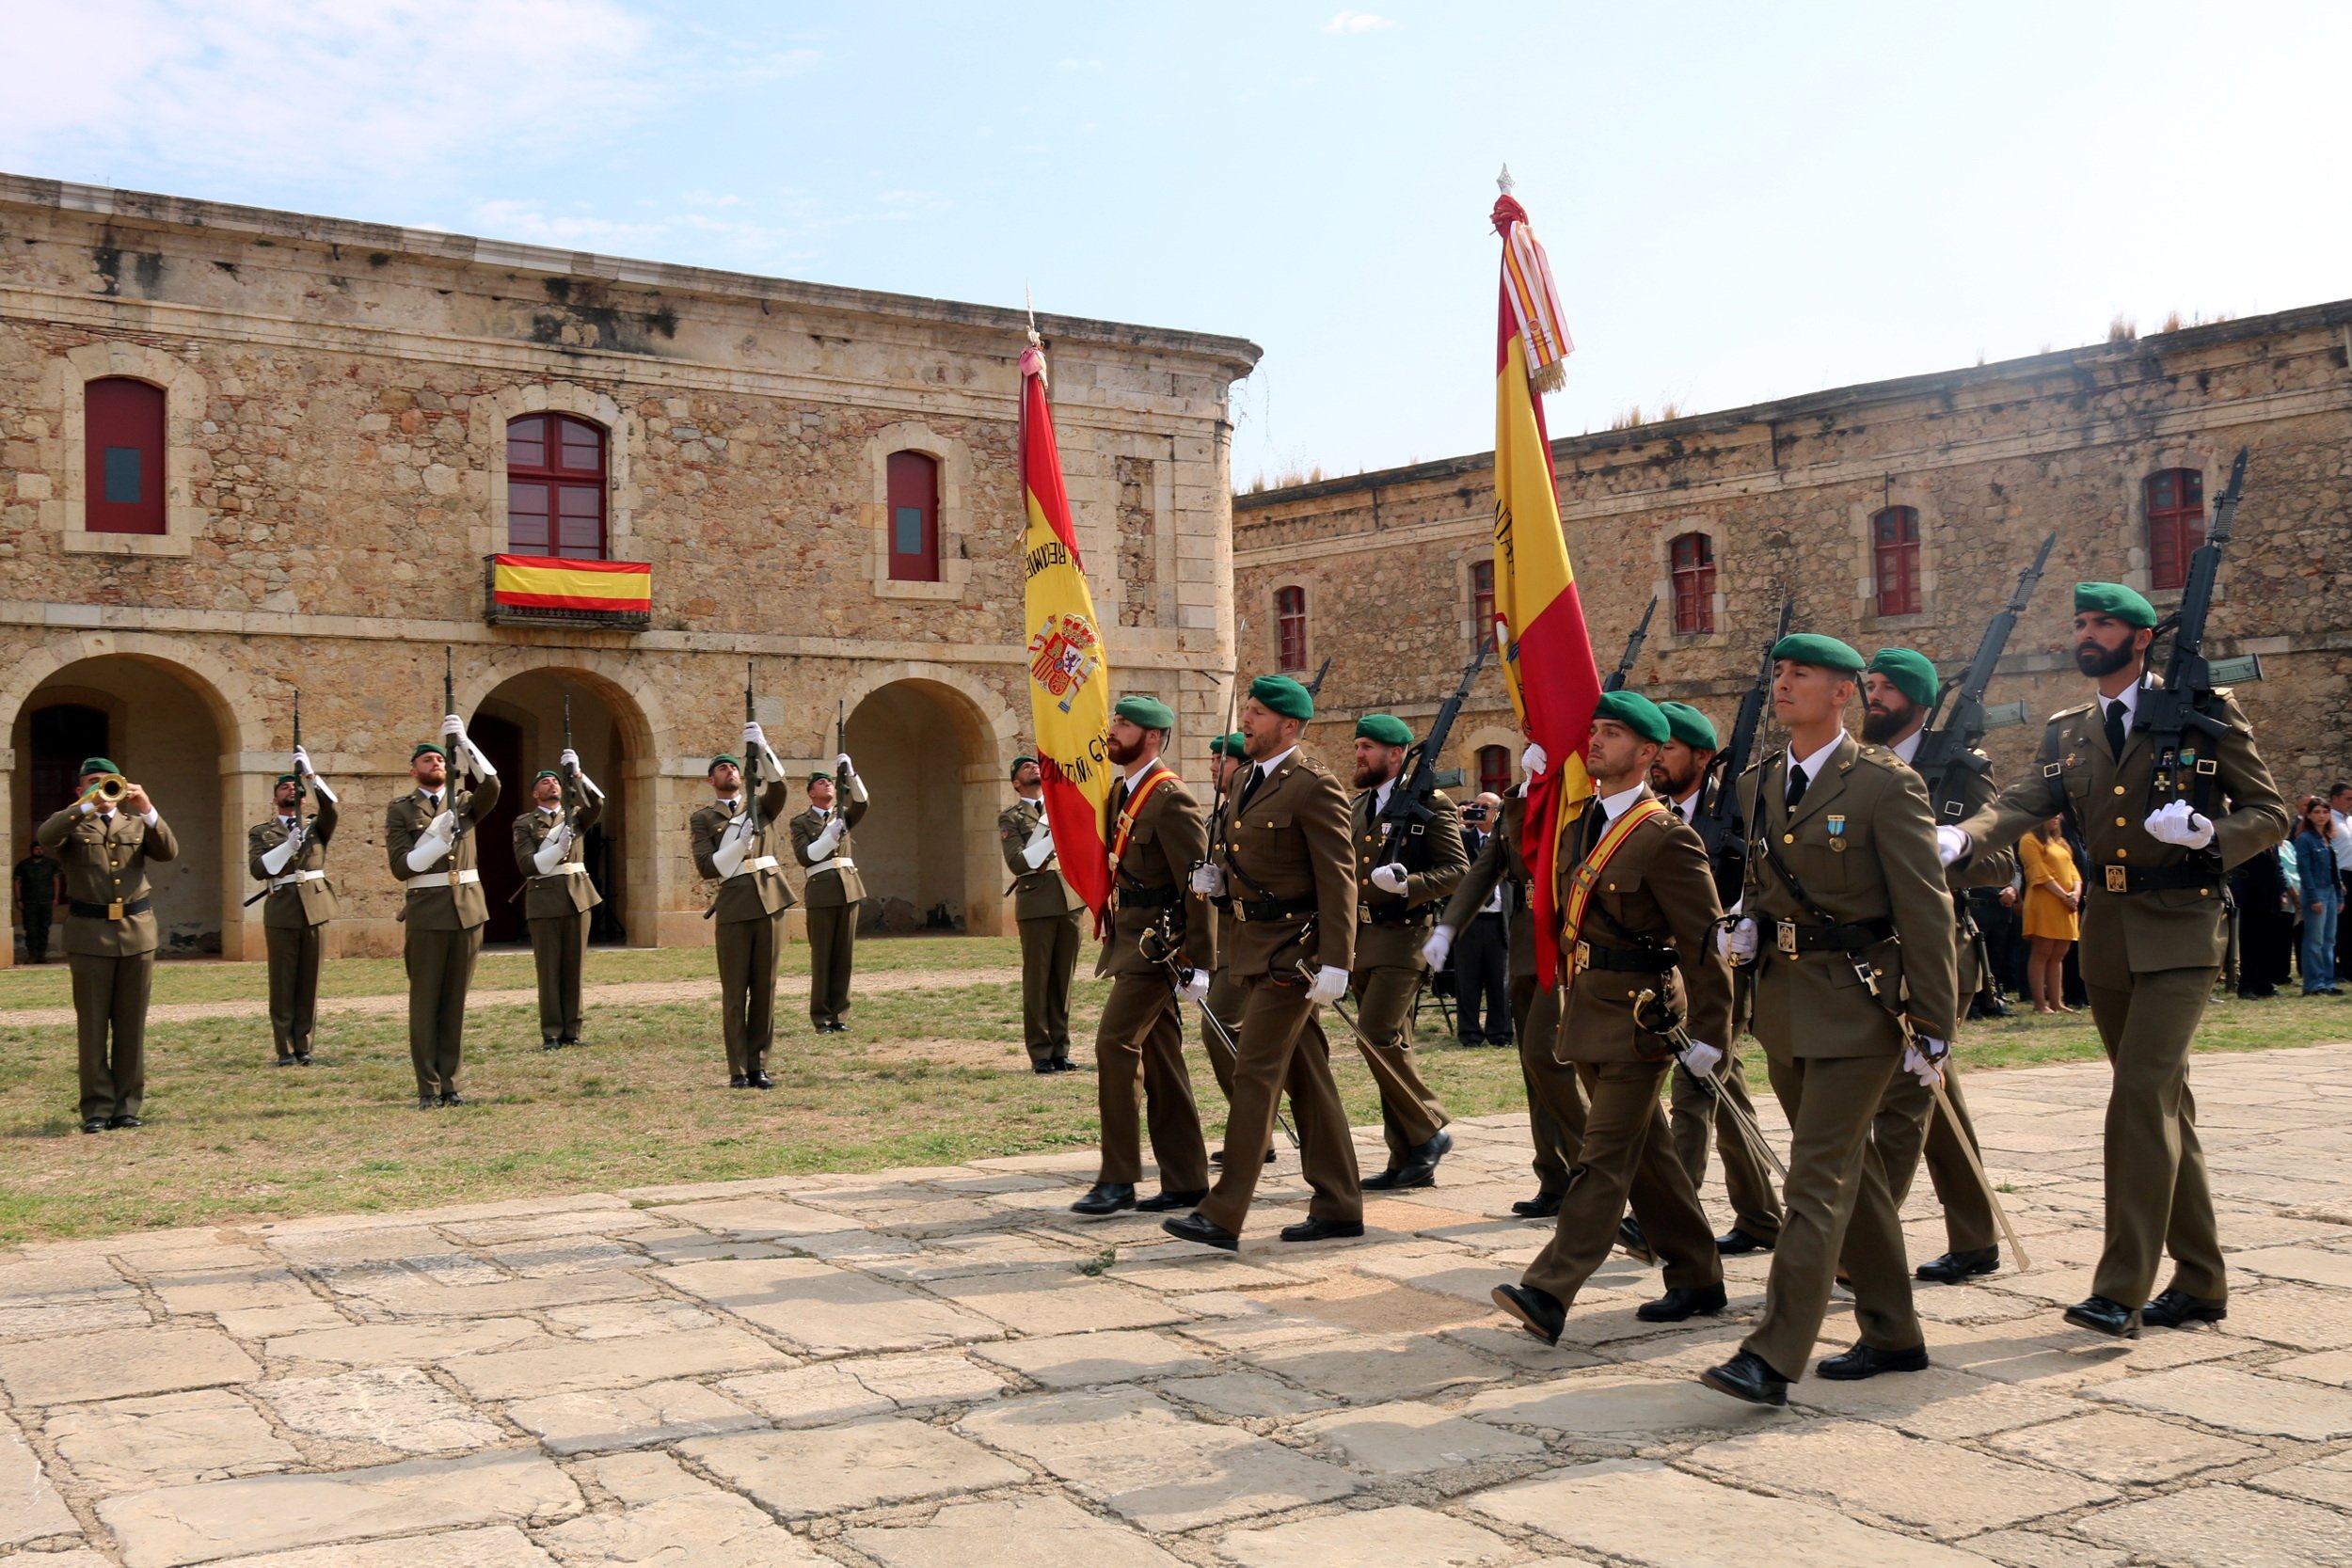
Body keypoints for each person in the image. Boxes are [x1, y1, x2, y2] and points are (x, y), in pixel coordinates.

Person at [1941, 581, 2287, 1338]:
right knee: (2164, 1108)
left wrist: (2209, 835)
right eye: (2080, 623)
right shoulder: (2070, 730)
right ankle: (2200, 1281)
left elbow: (2272, 811)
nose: (2086, 632)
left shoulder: (2204, 712)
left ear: (2140, 637)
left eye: (2102, 623)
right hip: (2108, 932)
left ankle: (2121, 1286)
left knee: (2137, 1096)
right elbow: (2026, 800)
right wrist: (1966, 836)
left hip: (2182, 930)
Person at [1699, 633, 1957, 1407]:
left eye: (1800, 674)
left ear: (1843, 692)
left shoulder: (1884, 784)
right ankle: (1893, 1330)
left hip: (1859, 1009)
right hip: (1783, 1005)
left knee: (1814, 1180)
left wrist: (1934, 1024)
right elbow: (1767, 880)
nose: (1782, 685)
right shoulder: (1758, 782)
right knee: (1859, 1176)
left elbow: (1925, 909)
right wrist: (1745, 922)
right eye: (1778, 672)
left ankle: (1773, 1353)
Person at [1488, 691, 1734, 1344]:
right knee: (1647, 1156)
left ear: (1648, 753)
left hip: (1639, 1018)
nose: (1595, 741)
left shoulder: (1665, 837)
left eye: (1614, 733)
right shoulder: (1581, 824)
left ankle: (1549, 1289)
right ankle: (1697, 1274)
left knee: (1600, 1159)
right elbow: (1543, 887)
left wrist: (1713, 1036)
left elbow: (1704, 944)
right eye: (1594, 729)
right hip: (1589, 1008)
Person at [1167, 673, 1361, 1250]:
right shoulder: (1248, 780)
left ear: (1290, 726)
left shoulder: (1313, 785)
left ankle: (1223, 1213)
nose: (1245, 720)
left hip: (1295, 956)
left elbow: (1338, 877)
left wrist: (1338, 961)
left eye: (1256, 713)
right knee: (1309, 1077)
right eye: (1246, 709)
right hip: (1253, 948)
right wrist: (1220, 885)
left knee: (1254, 1074)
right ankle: (1340, 1203)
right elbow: (1255, 869)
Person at [1855, 647, 2011, 1289]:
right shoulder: (1858, 767)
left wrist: (1940, 854)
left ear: (1918, 700)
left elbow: (2003, 863)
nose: (1874, 697)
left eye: (1887, 688)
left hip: (1943, 953)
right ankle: (1975, 1239)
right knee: (1936, 1097)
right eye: (1869, 685)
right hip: (1877, 958)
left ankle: (1858, 1243)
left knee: (1904, 1094)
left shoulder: (1963, 769)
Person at [1645, 698, 1783, 1256]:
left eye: (1668, 750)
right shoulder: (1654, 816)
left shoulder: (1744, 809)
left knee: (1696, 1084)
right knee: (1725, 1090)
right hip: (1679, 969)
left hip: (1729, 969)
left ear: (1703, 758)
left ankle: (1669, 1215)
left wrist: (1747, 918)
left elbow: (1768, 873)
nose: (1656, 761)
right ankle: (1760, 1217)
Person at [1071, 696, 1214, 1216]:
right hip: (1127, 939)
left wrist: (1199, 958)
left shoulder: (1170, 798)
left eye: (1124, 724)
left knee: (1115, 1045)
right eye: (1114, 721)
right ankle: (1186, 1179)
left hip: (1157, 947)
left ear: (1152, 737)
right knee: (1162, 1059)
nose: (1113, 730)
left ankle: (1118, 1178)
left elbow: (1197, 884)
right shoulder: (1119, 792)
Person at [1428, 768, 1580, 1217]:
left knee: (1545, 1057)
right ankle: (1555, 1177)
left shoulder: (1578, 793)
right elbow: (1485, 867)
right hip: (1527, 942)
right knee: (1536, 1069)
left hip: (1568, 941)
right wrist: (1450, 925)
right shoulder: (1519, 800)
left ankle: (1600, 1170)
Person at [1346, 713, 1470, 1189]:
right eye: (1358, 746)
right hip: (1362, 941)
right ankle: (1408, 1156)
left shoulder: (1429, 805)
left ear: (1395, 755)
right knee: (1393, 1047)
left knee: (1373, 1037)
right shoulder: (1361, 807)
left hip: (1404, 939)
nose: (1359, 754)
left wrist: (1407, 885)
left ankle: (1429, 1125)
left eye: (1368, 747)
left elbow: (1458, 870)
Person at [39, 760, 176, 1132]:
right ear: (79, 788)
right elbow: (45, 836)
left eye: (108, 782)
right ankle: (97, 1109)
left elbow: (168, 851)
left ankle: (127, 1106)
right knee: (94, 1025)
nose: (102, 788)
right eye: (92, 782)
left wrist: (146, 807)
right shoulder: (72, 824)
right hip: (90, 934)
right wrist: (86, 805)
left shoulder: (135, 822)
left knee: (132, 1026)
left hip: (137, 932)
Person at [386, 720, 501, 1109]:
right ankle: (427, 1087)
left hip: (467, 910)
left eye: (439, 757)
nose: (435, 762)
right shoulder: (401, 809)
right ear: (413, 770)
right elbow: (402, 867)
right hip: (428, 912)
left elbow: (493, 786)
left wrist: (466, 743)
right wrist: (436, 838)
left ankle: (450, 1083)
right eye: (426, 759)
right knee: (426, 1001)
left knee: (455, 1002)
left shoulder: (465, 801)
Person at [690, 729, 794, 1087]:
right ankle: (737, 1068)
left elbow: (780, 788)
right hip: (734, 903)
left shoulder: (761, 806)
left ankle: (758, 1064)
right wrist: (738, 844)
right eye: (721, 769)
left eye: (733, 768)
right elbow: (706, 867)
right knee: (735, 991)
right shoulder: (703, 818)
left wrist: (763, 749)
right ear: (711, 780)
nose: (728, 772)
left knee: (765, 987)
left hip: (769, 899)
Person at [247, 752, 339, 1065]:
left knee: (309, 980)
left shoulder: (318, 826)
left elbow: (332, 807)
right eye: (284, 786)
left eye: (294, 786)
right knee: (283, 980)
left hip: (315, 907)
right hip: (283, 909)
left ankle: (304, 1045)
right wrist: (287, 847)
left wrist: (311, 775)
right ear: (275, 797)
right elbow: (259, 870)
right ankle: (284, 1047)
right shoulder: (262, 832)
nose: (290, 789)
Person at [513, 751, 605, 1051]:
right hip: (544, 899)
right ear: (534, 793)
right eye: (545, 782)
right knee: (549, 969)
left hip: (577, 896)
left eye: (554, 781)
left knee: (573, 967)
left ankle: (572, 1031)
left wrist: (577, 775)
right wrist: (555, 849)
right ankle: (551, 1032)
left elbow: (598, 803)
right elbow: (527, 865)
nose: (551, 785)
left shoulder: (575, 816)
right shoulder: (525, 823)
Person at [999, 755, 1084, 1075]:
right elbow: (1018, 864)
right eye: (1024, 767)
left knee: (1063, 980)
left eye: (1036, 765)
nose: (1033, 768)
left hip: (1069, 900)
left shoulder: (1061, 809)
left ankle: (1061, 1049)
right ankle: (1040, 1051)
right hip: (1036, 903)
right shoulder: (1011, 817)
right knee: (1038, 980)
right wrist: (1051, 834)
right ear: (1015, 782)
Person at [790, 753, 869, 1033]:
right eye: (820, 783)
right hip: (822, 891)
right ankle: (820, 1016)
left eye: (829, 782)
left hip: (848, 889)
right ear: (811, 792)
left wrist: (852, 775)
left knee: (843, 957)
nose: (826, 785)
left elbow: (862, 802)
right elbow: (804, 856)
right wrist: (828, 837)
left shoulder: (843, 817)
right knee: (822, 956)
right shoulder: (801, 822)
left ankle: (839, 1015)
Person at [1450, 793, 1512, 1050]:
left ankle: (1500, 1033)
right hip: (1470, 921)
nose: (1477, 810)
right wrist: (1455, 822)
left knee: (1500, 981)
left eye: (1484, 808)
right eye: (1475, 806)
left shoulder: (1506, 841)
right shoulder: (1464, 839)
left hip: (1499, 920)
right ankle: (1470, 1034)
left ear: (1497, 812)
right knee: (1468, 980)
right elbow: (1449, 850)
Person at [2020, 817, 2082, 1012]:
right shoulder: (2029, 840)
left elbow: (2074, 872)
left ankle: (2057, 1002)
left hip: (2066, 905)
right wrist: (2064, 896)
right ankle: (2040, 1003)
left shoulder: (2061, 842)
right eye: (2052, 815)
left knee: (2058, 955)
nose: (2057, 818)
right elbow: (2040, 872)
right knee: (2042, 951)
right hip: (2045, 902)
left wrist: (2076, 894)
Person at [2293, 796, 2342, 995]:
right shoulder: (2304, 839)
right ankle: (2313, 983)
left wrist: (2340, 896)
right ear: (2309, 815)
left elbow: (2334, 870)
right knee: (2315, 939)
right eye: (2317, 812)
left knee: (2329, 939)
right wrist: (2313, 898)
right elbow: (2305, 871)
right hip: (2316, 891)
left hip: (2330, 890)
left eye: (2325, 812)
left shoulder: (2328, 838)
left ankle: (2328, 981)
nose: (2321, 816)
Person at [2231, 841, 2294, 999]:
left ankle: (2265, 984)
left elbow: (2279, 869)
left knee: (2269, 944)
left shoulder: (2272, 847)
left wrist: (2283, 892)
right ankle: (2248, 986)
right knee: (2251, 945)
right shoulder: (2249, 844)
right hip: (2252, 900)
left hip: (2271, 900)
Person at [12, 843, 61, 964]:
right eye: (36, 849)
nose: (39, 851)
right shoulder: (23, 865)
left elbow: (56, 881)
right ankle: (32, 954)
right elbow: (17, 882)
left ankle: (42, 955)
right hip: (29, 901)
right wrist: (18, 899)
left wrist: (56, 898)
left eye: (41, 849)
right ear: (32, 850)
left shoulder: (51, 864)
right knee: (30, 928)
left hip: (46, 900)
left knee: (44, 928)